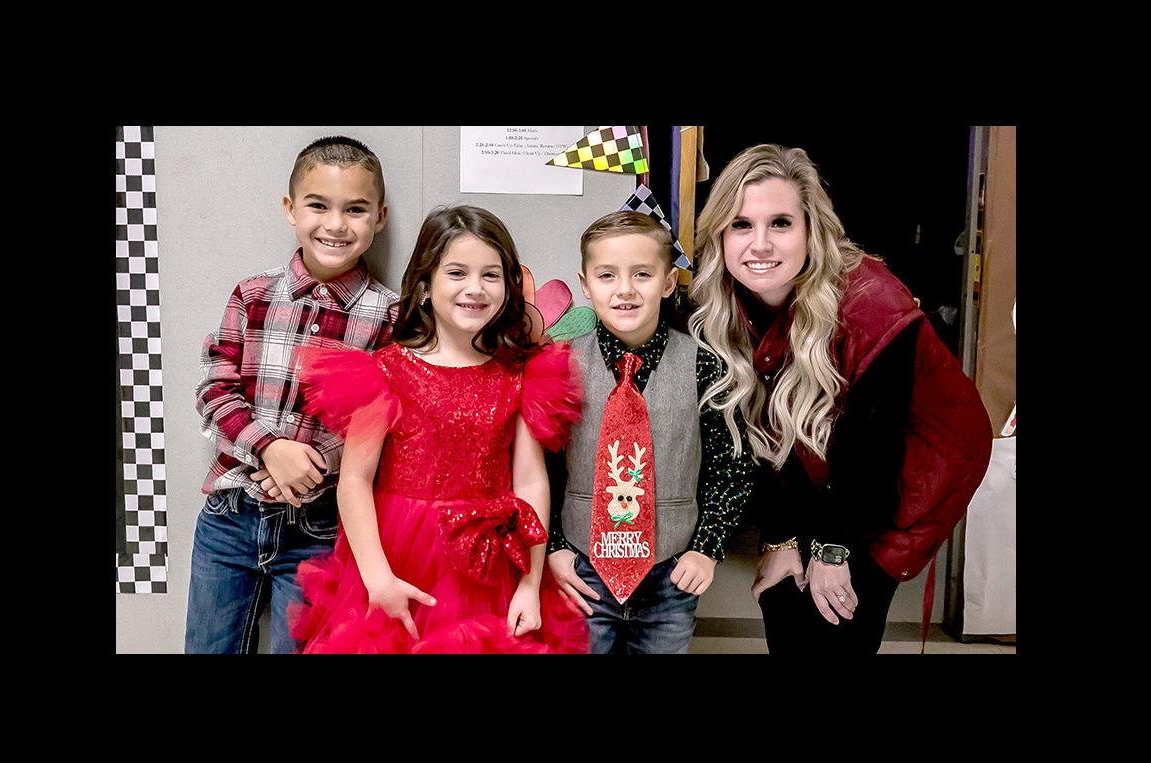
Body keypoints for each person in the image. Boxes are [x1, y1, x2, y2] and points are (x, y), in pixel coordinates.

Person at [689, 144, 992, 654]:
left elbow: (872, 449)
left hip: (905, 470)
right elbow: (756, 432)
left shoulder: (872, 305)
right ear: (720, 233)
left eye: (780, 223)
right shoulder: (724, 300)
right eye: (741, 224)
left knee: (838, 622)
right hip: (815, 462)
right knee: (783, 602)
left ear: (811, 229)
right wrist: (783, 539)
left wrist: (832, 550)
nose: (759, 244)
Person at [288, 205, 588, 653]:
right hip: (397, 559)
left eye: (491, 275)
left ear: (508, 287)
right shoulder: (384, 371)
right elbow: (354, 480)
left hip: (490, 567)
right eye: (457, 273)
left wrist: (531, 581)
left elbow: (530, 481)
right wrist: (377, 579)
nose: (475, 288)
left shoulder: (522, 374)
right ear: (426, 286)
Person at [186, 136, 395, 654]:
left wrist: (311, 465)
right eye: (318, 205)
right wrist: (270, 448)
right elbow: (215, 387)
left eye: (356, 209)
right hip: (230, 515)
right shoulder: (253, 294)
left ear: (381, 217)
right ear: (290, 209)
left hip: (319, 528)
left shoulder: (391, 316)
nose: (336, 224)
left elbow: (387, 423)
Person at [545, 211, 754, 654]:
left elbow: (730, 466)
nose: (624, 289)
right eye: (607, 275)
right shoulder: (558, 366)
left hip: (670, 575)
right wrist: (554, 546)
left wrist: (706, 547)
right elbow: (540, 466)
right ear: (585, 285)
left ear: (667, 281)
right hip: (582, 570)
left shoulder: (704, 365)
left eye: (642, 273)